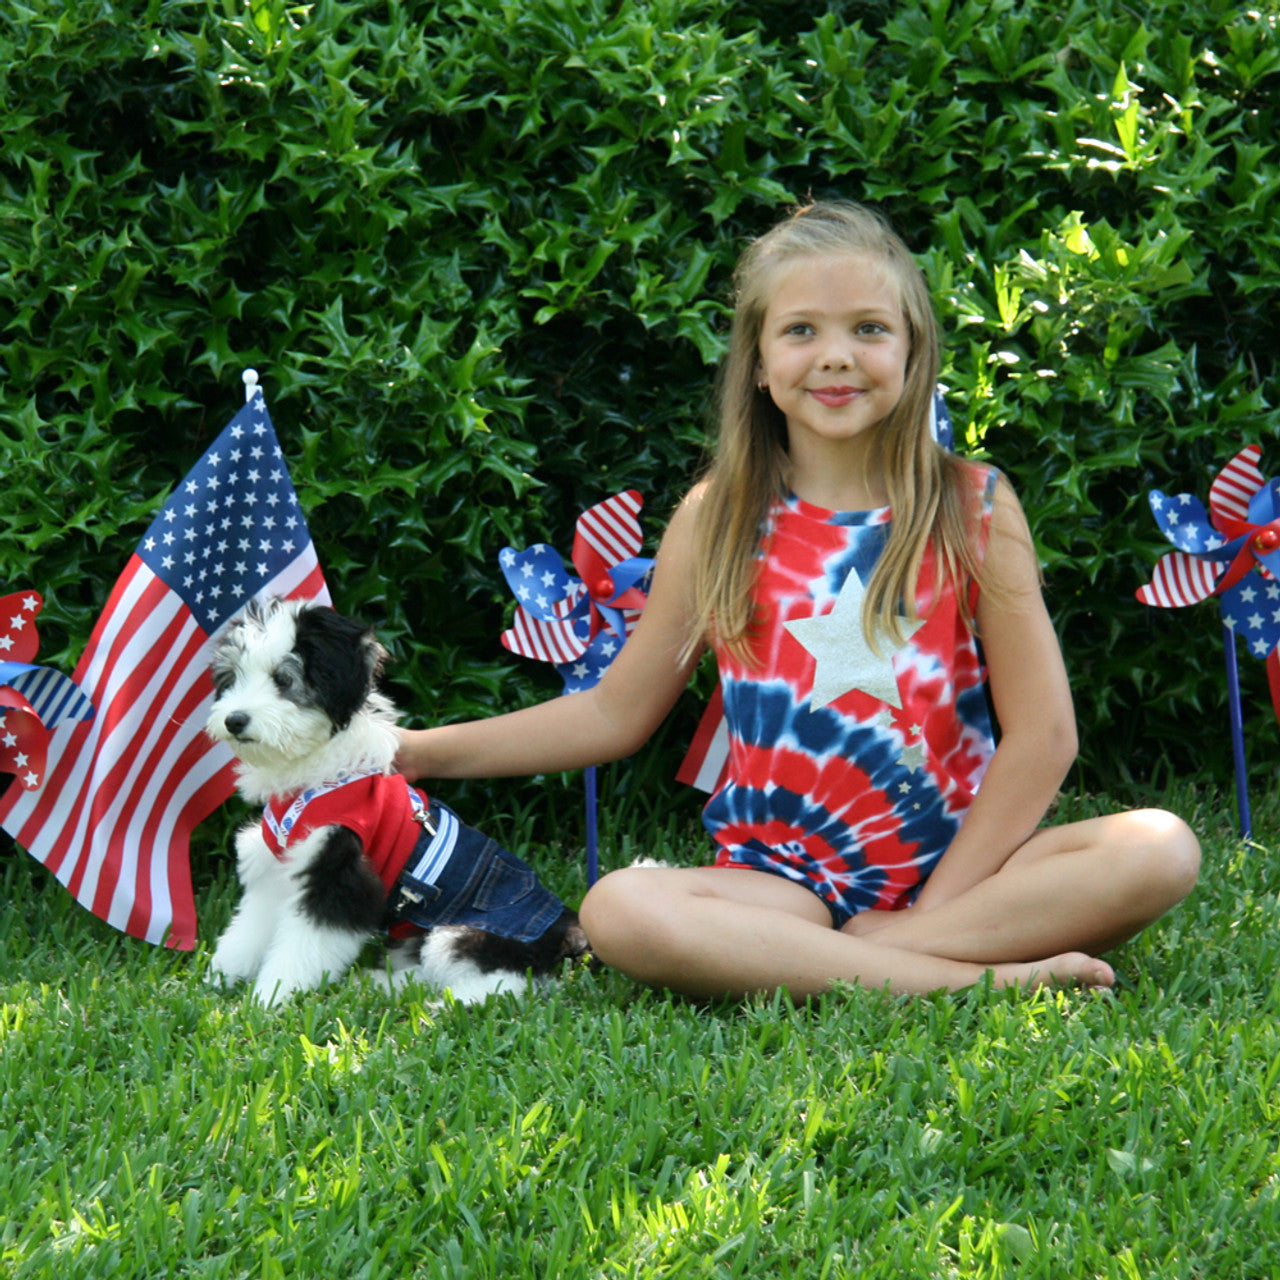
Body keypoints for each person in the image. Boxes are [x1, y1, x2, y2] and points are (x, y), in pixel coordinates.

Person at [397, 200, 1200, 1000]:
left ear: (914, 350)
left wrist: (937, 904)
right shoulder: (720, 519)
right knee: (620, 908)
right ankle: (975, 980)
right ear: (757, 362)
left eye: (870, 329)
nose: (836, 357)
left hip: (970, 868)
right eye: (802, 331)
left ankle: (896, 956)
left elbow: (1045, 735)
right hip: (783, 887)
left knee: (1161, 847)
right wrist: (421, 753)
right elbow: (614, 714)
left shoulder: (973, 505)